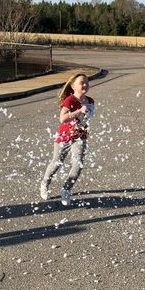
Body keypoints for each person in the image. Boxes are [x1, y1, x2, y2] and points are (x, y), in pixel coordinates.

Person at [40, 73, 95, 206]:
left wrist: (85, 125)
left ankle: (66, 189)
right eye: (81, 83)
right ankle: (45, 183)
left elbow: (87, 118)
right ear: (73, 86)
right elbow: (62, 118)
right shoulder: (70, 100)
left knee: (78, 165)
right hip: (64, 137)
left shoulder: (90, 101)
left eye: (87, 82)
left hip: (80, 137)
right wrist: (79, 111)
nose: (85, 85)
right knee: (57, 163)